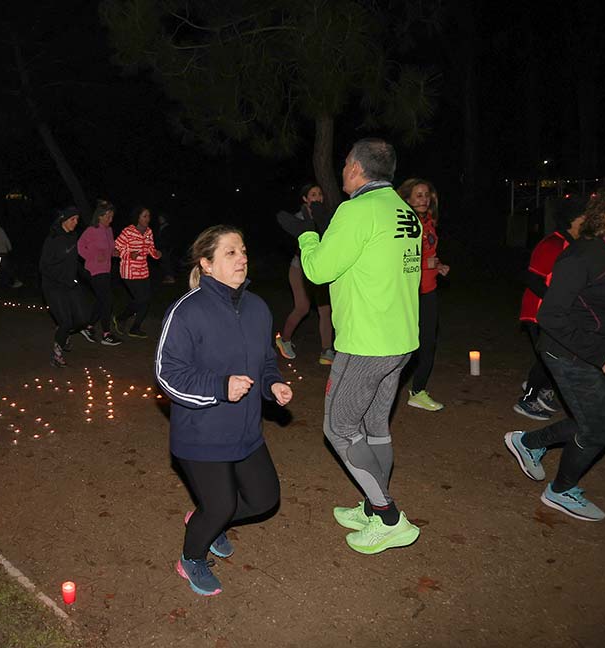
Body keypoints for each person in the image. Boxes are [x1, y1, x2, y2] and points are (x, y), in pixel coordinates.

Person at [294, 138, 423, 555]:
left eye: (345, 164)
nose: (343, 170)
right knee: (374, 426)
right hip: (401, 339)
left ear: (355, 168)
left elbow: (317, 271)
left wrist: (307, 236)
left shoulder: (356, 210)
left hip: (366, 342)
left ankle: (388, 517)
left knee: (339, 428)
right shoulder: (404, 210)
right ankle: (372, 504)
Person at [504, 184, 605, 522]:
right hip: (569, 354)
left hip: (592, 350)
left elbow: (596, 306)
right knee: (598, 426)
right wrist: (601, 355)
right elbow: (551, 315)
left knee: (604, 422)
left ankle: (529, 443)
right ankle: (560, 491)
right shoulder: (582, 256)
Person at [156, 225, 293, 596]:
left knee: (265, 498)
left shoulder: (257, 308)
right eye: (231, 252)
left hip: (245, 430)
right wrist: (219, 387)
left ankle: (206, 519)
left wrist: (271, 384)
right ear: (207, 264)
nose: (242, 258)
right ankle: (191, 557)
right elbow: (167, 374)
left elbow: (265, 360)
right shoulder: (187, 311)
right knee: (220, 505)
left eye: (243, 250)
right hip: (201, 434)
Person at [513, 195, 587, 420]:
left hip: (557, 313)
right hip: (538, 312)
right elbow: (533, 279)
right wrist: (558, 301)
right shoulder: (552, 244)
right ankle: (527, 399)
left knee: (556, 355)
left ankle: (542, 387)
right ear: (574, 219)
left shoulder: (577, 244)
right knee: (548, 356)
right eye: (587, 215)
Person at [397, 178, 450, 411]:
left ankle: (418, 391)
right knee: (403, 345)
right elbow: (397, 260)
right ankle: (384, 388)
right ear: (407, 199)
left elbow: (429, 253)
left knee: (428, 343)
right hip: (408, 292)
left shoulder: (429, 221)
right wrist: (425, 264)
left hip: (428, 290)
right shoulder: (403, 224)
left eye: (427, 195)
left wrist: (437, 265)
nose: (424, 199)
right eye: (418, 195)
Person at [275, 183, 335, 365]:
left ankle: (327, 351)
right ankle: (284, 340)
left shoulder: (327, 217)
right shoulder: (298, 218)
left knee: (325, 310)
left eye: (319, 194)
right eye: (313, 194)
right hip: (299, 269)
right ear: (305, 199)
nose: (317, 197)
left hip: (320, 268)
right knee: (302, 307)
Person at [40, 207, 92, 367]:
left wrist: (86, 274)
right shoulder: (53, 239)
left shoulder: (73, 236)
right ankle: (57, 354)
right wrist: (59, 278)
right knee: (66, 321)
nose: (76, 222)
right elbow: (43, 266)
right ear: (63, 220)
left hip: (70, 283)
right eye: (72, 219)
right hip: (53, 286)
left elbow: (73, 261)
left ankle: (64, 333)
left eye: (77, 219)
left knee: (83, 319)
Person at [77, 201, 122, 346]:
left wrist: (114, 253)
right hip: (94, 270)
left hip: (106, 269)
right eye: (108, 216)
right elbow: (80, 247)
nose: (110, 219)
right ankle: (106, 334)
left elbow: (110, 249)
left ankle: (88, 326)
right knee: (107, 300)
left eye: (112, 216)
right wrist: (93, 257)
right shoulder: (92, 230)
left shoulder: (109, 230)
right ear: (99, 216)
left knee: (101, 300)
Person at [113, 205, 161, 338]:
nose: (147, 219)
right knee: (141, 299)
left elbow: (150, 248)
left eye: (148, 216)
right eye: (144, 216)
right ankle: (121, 318)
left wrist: (156, 254)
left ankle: (135, 328)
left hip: (143, 270)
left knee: (146, 300)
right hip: (129, 271)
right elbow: (115, 250)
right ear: (137, 218)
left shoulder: (149, 232)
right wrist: (129, 254)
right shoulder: (128, 231)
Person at [0, 221, 22, 291]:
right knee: (5, 268)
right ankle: (15, 281)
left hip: (1, 254)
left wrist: (9, 248)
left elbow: (6, 239)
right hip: (0, 254)